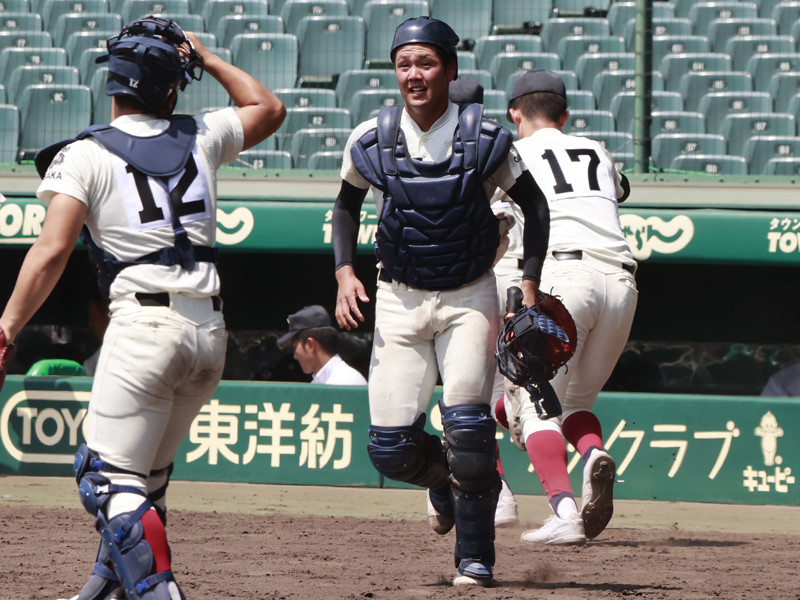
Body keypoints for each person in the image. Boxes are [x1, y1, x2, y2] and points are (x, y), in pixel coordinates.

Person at [0, 16, 285, 600]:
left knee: (107, 481)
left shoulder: (85, 153)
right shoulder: (199, 134)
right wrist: (204, 58)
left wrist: (6, 324)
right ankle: (105, 588)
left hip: (143, 326)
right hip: (209, 333)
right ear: (171, 87)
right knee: (144, 485)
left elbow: (52, 251)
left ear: (114, 83)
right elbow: (268, 107)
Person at [332, 16, 550, 587]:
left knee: (471, 434)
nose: (414, 74)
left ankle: (474, 558)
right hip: (399, 299)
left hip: (468, 297)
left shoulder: (484, 137)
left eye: (425, 62)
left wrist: (529, 280)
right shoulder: (370, 137)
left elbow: (536, 206)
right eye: (404, 63)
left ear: (449, 71)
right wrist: (343, 273)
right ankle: (439, 480)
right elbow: (345, 207)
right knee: (390, 448)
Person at [493, 69, 637, 546]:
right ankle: (593, 455)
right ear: (566, 114)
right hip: (621, 281)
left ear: (515, 112)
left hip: (560, 276)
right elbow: (620, 189)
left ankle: (565, 512)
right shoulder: (596, 148)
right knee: (575, 404)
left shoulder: (512, 152)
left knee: (537, 412)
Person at [448, 74, 520, 528]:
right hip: (503, 284)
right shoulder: (499, 144)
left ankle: (500, 495)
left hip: (479, 290)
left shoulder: (436, 143)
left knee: (468, 403)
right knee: (480, 403)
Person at [278, 304, 368, 385]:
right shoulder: (319, 382)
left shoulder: (347, 382)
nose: (295, 356)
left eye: (295, 347)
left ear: (310, 344)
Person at [82, 294, 110, 377]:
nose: (90, 322)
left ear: (107, 314)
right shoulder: (91, 364)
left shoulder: (92, 364)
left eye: (93, 315)